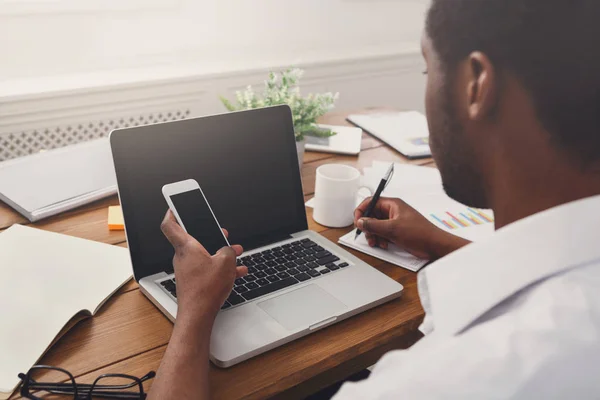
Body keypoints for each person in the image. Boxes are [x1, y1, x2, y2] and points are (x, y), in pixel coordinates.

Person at [148, 0, 600, 398]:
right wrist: (442, 241)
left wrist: (194, 309)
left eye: (428, 69)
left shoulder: (444, 379)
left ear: (475, 84)